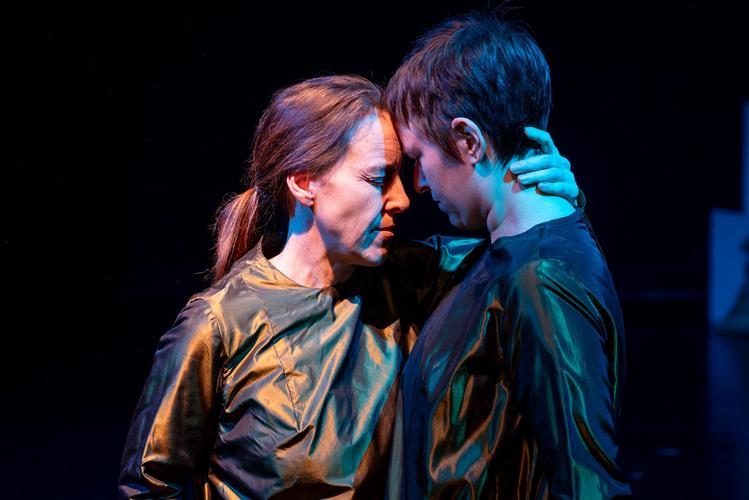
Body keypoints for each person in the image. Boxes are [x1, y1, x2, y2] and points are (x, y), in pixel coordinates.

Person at [118, 75, 578, 498]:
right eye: (378, 178)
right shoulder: (218, 324)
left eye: (400, 176)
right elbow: (149, 487)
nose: (402, 199)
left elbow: (531, 261)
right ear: (304, 182)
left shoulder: (410, 280)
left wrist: (557, 203)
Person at [385, 11, 631, 499]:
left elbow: (587, 486)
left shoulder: (541, 279)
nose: (419, 184)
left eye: (418, 158)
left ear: (469, 141)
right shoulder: (507, 258)